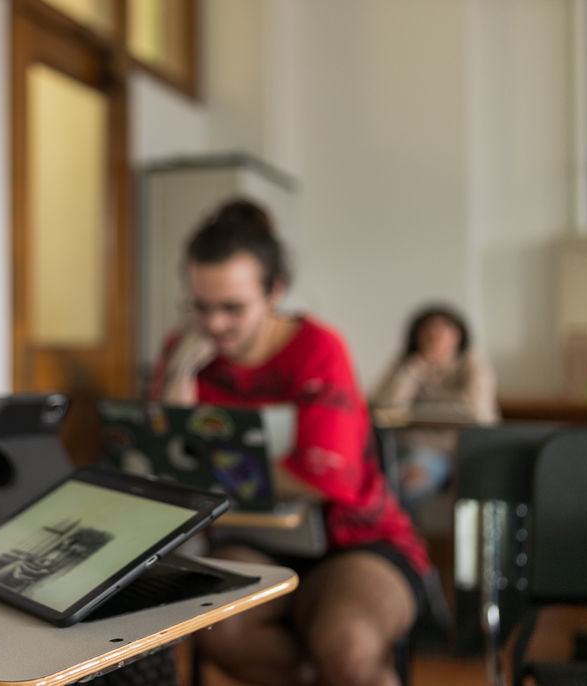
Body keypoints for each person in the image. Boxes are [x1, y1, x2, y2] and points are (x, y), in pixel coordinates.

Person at [152, 198, 430, 686]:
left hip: (354, 540)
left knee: (348, 642)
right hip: (250, 538)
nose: (214, 325)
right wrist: (178, 391)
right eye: (201, 306)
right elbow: (164, 467)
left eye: (233, 308)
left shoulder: (318, 349)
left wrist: (208, 466)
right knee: (221, 627)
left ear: (275, 292)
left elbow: (326, 478)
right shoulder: (185, 352)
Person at [373, 304, 498, 509]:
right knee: (401, 484)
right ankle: (402, 538)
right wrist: (415, 368)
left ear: (458, 335)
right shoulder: (406, 365)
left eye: (443, 329)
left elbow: (476, 411)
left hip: (466, 448)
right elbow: (385, 410)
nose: (435, 335)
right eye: (428, 329)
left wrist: (414, 411)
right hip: (415, 449)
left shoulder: (472, 363)